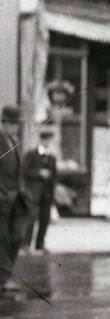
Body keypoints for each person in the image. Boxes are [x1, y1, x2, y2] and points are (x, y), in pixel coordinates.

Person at [0, 106, 29, 291]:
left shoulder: (14, 141)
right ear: (3, 123)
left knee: (18, 236)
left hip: (17, 198)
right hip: (1, 197)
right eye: (10, 124)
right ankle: (4, 278)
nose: (14, 128)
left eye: (16, 124)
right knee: (2, 238)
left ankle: (5, 274)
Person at [22, 127, 57, 253]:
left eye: (49, 140)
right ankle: (26, 244)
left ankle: (40, 244)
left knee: (44, 219)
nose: (47, 143)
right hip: (33, 192)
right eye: (45, 140)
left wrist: (53, 196)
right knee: (31, 218)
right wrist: (39, 173)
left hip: (46, 193)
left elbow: (54, 177)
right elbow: (24, 171)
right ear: (41, 140)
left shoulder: (52, 157)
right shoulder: (31, 154)